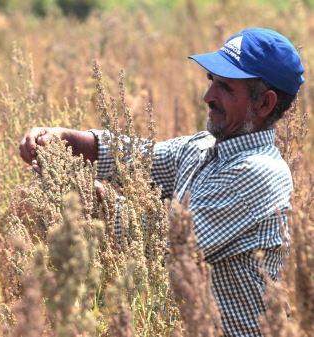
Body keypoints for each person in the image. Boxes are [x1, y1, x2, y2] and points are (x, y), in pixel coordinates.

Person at [19, 28, 304, 337]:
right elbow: (139, 158)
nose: (208, 97)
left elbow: (167, 244)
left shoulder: (259, 173)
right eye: (211, 81)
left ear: (264, 103)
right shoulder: (205, 146)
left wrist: (87, 192)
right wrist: (69, 140)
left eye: (225, 87)